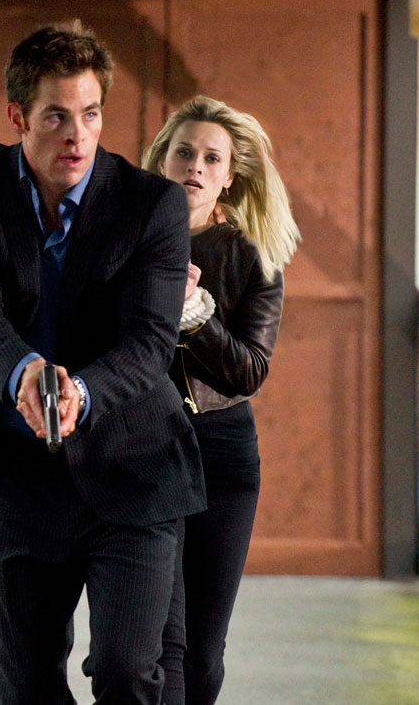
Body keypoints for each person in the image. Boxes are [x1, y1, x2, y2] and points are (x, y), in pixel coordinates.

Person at [0, 22, 206, 705]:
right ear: (18, 117)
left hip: (134, 463)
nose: (76, 136)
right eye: (56, 116)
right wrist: (24, 370)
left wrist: (79, 392)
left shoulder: (152, 204)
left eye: (90, 114)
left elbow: (149, 340)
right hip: (22, 471)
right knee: (25, 683)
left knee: (125, 669)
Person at [141, 96, 300, 705]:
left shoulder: (251, 255)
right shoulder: (123, 241)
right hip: (145, 449)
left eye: (212, 158)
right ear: (162, 159)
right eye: (184, 152)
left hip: (221, 453)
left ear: (229, 176)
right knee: (160, 644)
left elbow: (248, 371)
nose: (195, 166)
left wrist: (193, 313)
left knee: (203, 652)